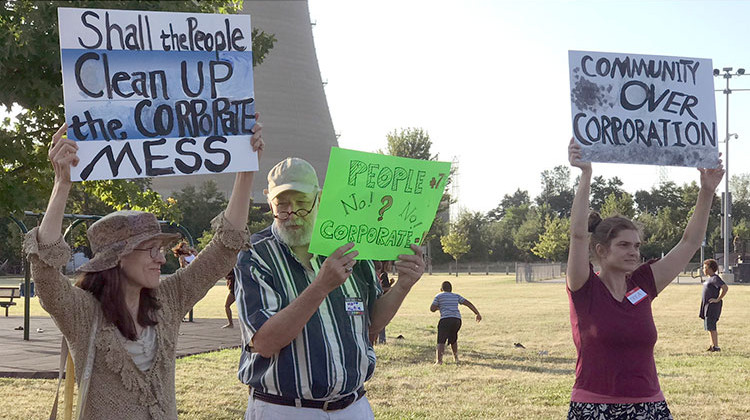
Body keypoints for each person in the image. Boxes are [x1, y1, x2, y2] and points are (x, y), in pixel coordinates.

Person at [25, 121, 264, 419]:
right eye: (150, 249)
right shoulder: (82, 314)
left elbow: (222, 251)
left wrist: (245, 168)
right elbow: (45, 274)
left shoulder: (169, 300)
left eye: (161, 249)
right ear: (117, 258)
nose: (161, 259)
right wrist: (62, 184)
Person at [235, 157, 426, 419]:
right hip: (285, 409)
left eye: (302, 204)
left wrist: (403, 285)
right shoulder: (256, 255)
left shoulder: (349, 249)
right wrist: (321, 286)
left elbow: (371, 323)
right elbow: (265, 342)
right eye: (282, 205)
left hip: (354, 405)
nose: (291, 214)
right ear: (270, 202)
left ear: (319, 199)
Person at [565, 138, 724, 419]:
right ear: (601, 250)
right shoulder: (583, 287)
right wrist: (585, 175)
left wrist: (707, 191)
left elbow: (689, 243)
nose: (633, 252)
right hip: (595, 406)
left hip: (650, 406)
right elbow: (578, 236)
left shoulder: (643, 283)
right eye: (624, 245)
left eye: (637, 246)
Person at [429, 281, 481, 365]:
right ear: (451, 289)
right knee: (453, 338)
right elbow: (468, 303)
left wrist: (439, 308)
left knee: (441, 340)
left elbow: (432, 308)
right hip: (457, 320)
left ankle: (439, 361)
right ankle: (456, 358)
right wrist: (477, 313)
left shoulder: (439, 296)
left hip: (445, 319)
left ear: (441, 289)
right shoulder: (456, 296)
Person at [699, 259, 728, 352]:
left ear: (710, 268)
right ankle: (712, 345)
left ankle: (716, 346)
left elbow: (725, 288)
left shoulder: (715, 278)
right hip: (707, 306)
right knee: (708, 326)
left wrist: (718, 299)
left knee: (712, 326)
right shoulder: (709, 278)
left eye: (705, 267)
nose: (703, 269)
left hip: (712, 306)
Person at [372, 261, 393, 344]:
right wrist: (393, 289)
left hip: (381, 298)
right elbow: (383, 288)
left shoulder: (382, 275)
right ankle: (381, 340)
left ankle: (379, 340)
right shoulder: (383, 275)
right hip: (381, 299)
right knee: (380, 322)